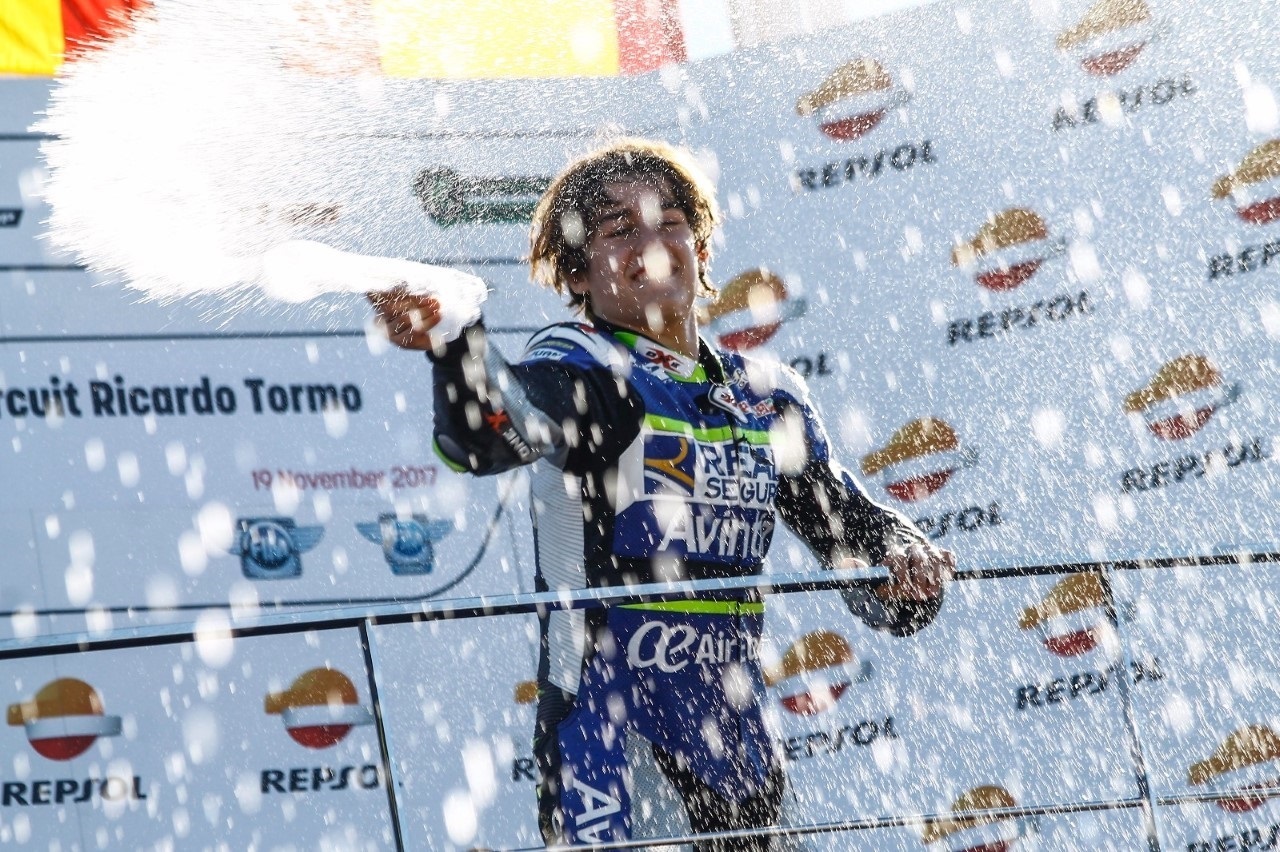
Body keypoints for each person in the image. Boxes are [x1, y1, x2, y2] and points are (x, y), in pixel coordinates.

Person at [369, 138, 955, 850]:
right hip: (608, 747)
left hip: (736, 748)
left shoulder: (764, 397)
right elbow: (491, 435)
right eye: (619, 231)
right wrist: (454, 345)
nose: (651, 242)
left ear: (701, 248)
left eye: (669, 220)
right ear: (578, 273)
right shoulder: (583, 370)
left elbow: (854, 539)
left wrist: (904, 561)